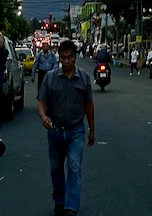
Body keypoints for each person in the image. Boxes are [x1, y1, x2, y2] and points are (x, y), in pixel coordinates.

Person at [38, 40, 96, 216]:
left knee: (74, 166)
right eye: (63, 57)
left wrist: (92, 130)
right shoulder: (50, 77)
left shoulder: (84, 78)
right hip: (55, 130)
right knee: (56, 168)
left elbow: (89, 105)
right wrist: (43, 116)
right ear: (59, 58)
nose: (67, 61)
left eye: (70, 57)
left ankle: (71, 207)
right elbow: (42, 102)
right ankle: (59, 200)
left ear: (75, 57)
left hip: (76, 130)